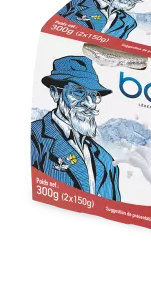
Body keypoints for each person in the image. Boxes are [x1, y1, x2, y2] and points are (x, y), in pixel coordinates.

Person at [30, 55, 121, 201]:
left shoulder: (106, 161)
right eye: (79, 92)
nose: (89, 103)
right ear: (55, 93)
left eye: (93, 95)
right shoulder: (33, 138)